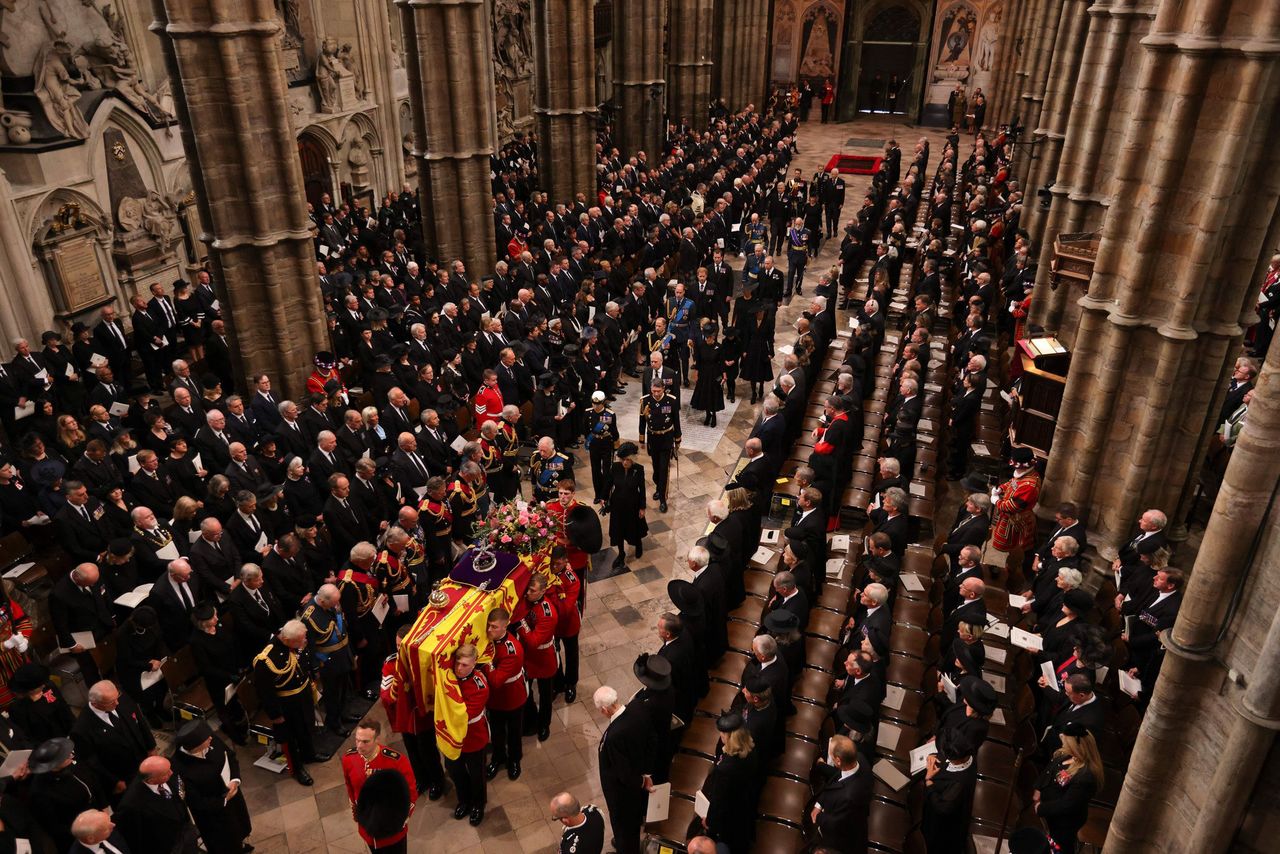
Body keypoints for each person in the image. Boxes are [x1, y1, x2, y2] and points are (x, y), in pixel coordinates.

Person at [169, 720, 252, 854]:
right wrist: (223, 800)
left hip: (233, 795)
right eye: (207, 739)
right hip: (213, 814)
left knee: (240, 827)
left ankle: (241, 844)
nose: (211, 738)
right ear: (195, 746)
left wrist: (235, 780)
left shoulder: (209, 739)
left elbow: (230, 757)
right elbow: (195, 801)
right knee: (225, 843)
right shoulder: (179, 768)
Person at [252, 619, 317, 785]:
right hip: (287, 704)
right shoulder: (265, 660)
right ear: (287, 641)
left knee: (308, 726)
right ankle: (297, 768)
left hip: (303, 695)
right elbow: (265, 692)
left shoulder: (294, 643)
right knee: (293, 737)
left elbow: (304, 664)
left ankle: (310, 754)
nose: (304, 642)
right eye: (300, 640)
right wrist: (276, 714)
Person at [594, 685, 656, 854]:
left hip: (622, 792)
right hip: (639, 770)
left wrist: (642, 781)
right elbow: (651, 739)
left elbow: (623, 774)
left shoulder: (614, 736)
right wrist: (646, 773)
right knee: (633, 821)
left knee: (623, 826)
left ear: (605, 709)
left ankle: (627, 849)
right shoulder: (637, 707)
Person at [70, 680, 157, 799]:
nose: (117, 702)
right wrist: (114, 782)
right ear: (95, 704)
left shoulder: (120, 697)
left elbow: (141, 722)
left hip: (142, 758)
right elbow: (92, 762)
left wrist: (151, 747)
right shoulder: (81, 729)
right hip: (121, 774)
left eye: (117, 697)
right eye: (111, 702)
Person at [342, 718, 418, 851]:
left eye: (365, 742)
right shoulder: (348, 759)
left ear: (377, 740)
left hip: (392, 826)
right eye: (357, 740)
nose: (359, 746)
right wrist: (356, 810)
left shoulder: (396, 762)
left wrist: (403, 818)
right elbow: (350, 786)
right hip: (367, 824)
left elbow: (411, 792)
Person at [1034, 724, 1103, 853]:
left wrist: (1041, 808)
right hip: (1049, 815)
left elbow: (1066, 805)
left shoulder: (1086, 776)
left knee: (1055, 850)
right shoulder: (1065, 755)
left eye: (1066, 741)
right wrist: (1038, 788)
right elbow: (1048, 771)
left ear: (1075, 746)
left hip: (1062, 825)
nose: (1063, 743)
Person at [114, 756, 200, 854]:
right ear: (151, 780)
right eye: (166, 773)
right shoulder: (131, 805)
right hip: (167, 846)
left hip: (186, 830)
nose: (171, 773)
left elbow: (180, 791)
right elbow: (136, 837)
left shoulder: (167, 768)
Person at [443, 643, 489, 826]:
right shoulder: (450, 675)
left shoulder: (480, 684)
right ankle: (464, 799)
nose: (459, 669)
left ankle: (478, 803)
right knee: (454, 769)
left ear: (474, 664)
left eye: (465, 665)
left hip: (472, 736)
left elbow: (465, 715)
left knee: (477, 773)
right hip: (453, 737)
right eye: (458, 664)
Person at [700, 711, 759, 853]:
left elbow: (718, 802)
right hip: (745, 803)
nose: (720, 737)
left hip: (729, 816)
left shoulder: (725, 770)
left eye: (722, 734)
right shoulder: (750, 750)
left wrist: (710, 822)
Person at [483, 606, 526, 781]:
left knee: (514, 732)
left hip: (511, 696)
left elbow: (496, 680)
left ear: (504, 626)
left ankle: (514, 760)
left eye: (494, 626)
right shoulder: (489, 640)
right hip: (495, 698)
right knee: (497, 729)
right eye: (489, 626)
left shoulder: (512, 650)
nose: (489, 630)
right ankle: (498, 757)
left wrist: (485, 662)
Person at [809, 734, 872, 853]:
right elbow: (835, 780)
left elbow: (836, 823)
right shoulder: (858, 759)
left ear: (838, 761)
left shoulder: (848, 797)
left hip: (842, 839)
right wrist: (819, 804)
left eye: (831, 755)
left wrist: (818, 816)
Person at [516, 572, 558, 740]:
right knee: (528, 692)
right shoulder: (528, 600)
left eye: (532, 590)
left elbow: (534, 641)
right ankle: (531, 720)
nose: (528, 593)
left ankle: (544, 724)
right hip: (528, 658)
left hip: (543, 659)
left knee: (545, 695)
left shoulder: (548, 614)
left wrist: (521, 624)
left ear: (542, 591)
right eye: (528, 589)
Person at [638, 380, 681, 512]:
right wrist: (642, 439)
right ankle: (658, 487)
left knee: (663, 469)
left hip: (666, 439)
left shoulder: (671, 401)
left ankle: (663, 498)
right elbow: (642, 420)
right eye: (654, 391)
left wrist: (677, 439)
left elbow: (676, 420)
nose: (656, 394)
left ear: (664, 389)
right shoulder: (645, 401)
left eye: (659, 391)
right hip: (653, 439)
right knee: (656, 468)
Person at [604, 441, 647, 568]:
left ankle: (638, 544)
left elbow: (642, 489)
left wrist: (642, 507)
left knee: (635, 527)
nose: (625, 463)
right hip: (617, 504)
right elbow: (608, 484)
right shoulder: (615, 467)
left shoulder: (639, 469)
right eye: (623, 460)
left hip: (633, 504)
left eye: (628, 460)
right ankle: (621, 553)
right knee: (618, 530)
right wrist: (603, 497)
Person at [69, 808, 133, 854]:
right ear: (91, 838)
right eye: (105, 828)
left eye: (109, 821)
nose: (113, 825)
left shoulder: (109, 830)